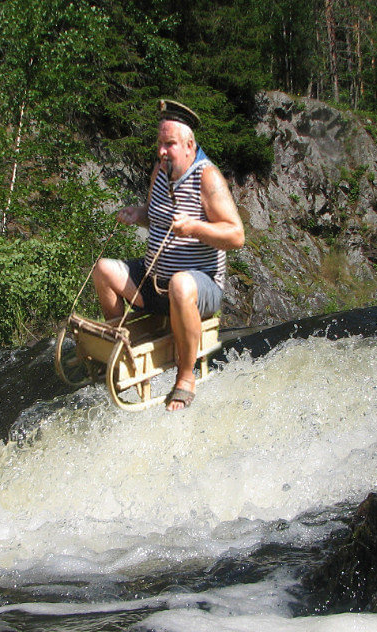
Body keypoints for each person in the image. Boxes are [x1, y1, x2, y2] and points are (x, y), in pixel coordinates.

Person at [93, 100, 245, 411]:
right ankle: (120, 350)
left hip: (198, 289)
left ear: (189, 145)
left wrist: (195, 228)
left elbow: (236, 235)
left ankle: (185, 378)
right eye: (160, 144)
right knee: (103, 269)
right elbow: (157, 216)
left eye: (170, 144)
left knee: (180, 284)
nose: (162, 151)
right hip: (154, 281)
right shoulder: (160, 172)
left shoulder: (208, 177)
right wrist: (139, 213)